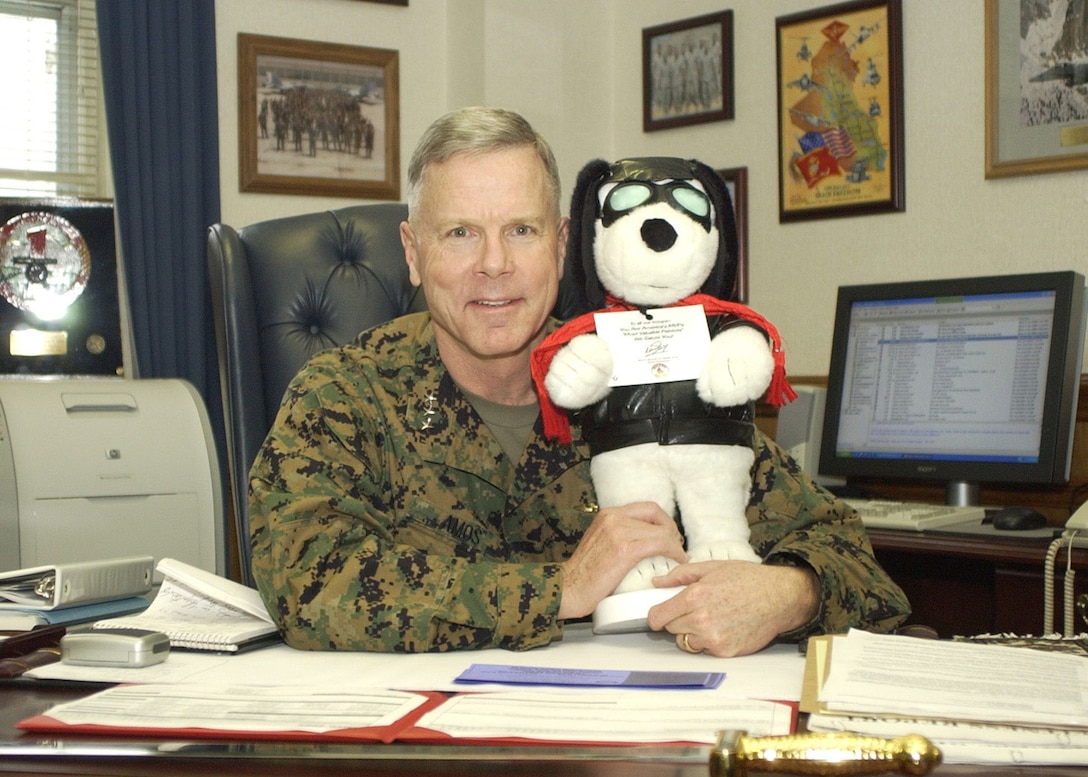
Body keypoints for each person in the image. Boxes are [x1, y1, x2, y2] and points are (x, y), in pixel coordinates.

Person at [248, 105, 910, 657]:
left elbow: (860, 564)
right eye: (459, 234)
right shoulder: (344, 395)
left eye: (521, 230)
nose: (494, 264)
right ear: (414, 253)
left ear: (562, 246)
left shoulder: (649, 365)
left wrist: (790, 593)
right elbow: (309, 586)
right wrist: (561, 587)